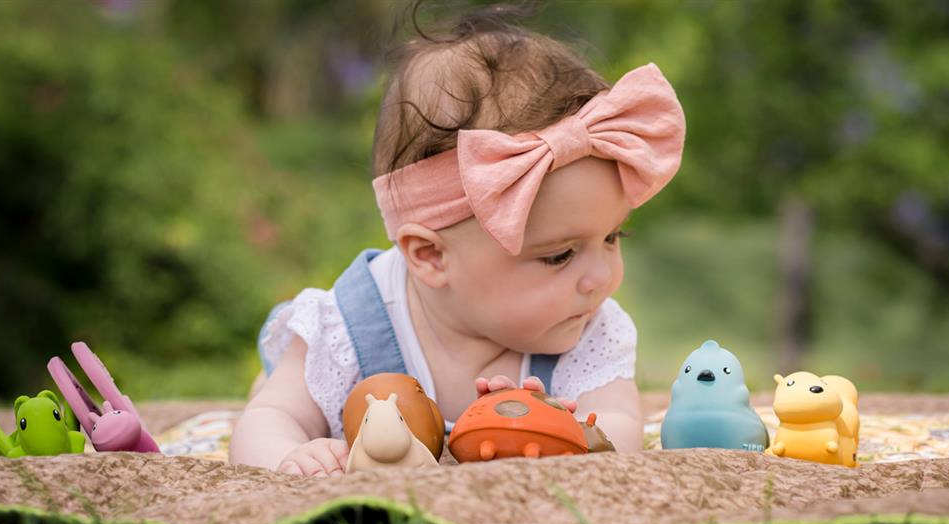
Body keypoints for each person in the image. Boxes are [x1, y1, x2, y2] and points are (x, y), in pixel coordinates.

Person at [229, 8, 686, 476]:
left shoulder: (588, 330)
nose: (601, 278)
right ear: (430, 255)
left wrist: (576, 440)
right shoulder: (343, 330)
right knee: (275, 393)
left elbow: (618, 422)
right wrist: (291, 457)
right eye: (559, 255)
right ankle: (269, 375)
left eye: (612, 236)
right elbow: (267, 422)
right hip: (329, 368)